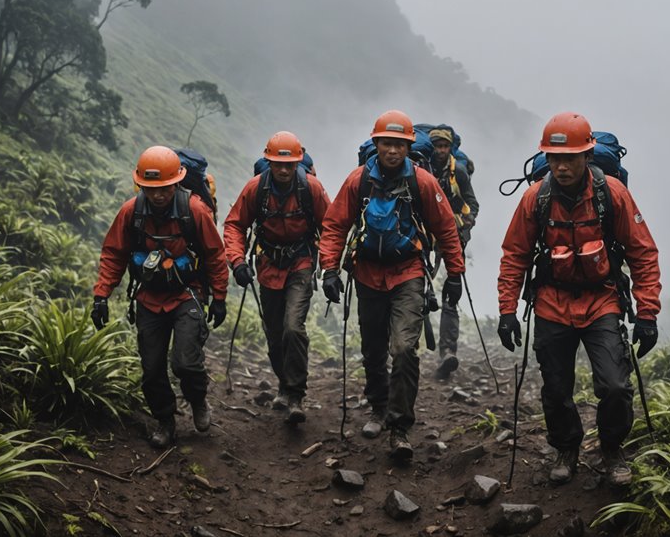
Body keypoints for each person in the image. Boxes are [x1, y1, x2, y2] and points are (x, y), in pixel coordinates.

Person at [497, 112, 660, 486]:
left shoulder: (612, 194)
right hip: (552, 303)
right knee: (556, 387)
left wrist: (647, 314)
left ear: (587, 156)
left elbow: (643, 253)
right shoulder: (535, 198)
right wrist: (508, 311)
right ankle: (566, 447)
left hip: (602, 301)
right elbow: (515, 255)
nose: (562, 165)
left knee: (616, 386)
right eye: (555, 158)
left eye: (570, 157)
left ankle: (612, 449)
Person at [318, 110, 465, 462]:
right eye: (387, 143)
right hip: (367, 274)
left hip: (408, 273)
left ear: (408, 146)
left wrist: (455, 275)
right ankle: (378, 408)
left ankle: (399, 428)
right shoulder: (359, 180)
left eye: (400, 144)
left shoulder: (423, 182)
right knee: (372, 348)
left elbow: (446, 229)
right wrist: (329, 269)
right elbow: (336, 224)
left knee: (403, 349)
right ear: (376, 144)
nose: (393, 150)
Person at [92, 145, 230, 449]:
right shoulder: (132, 212)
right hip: (148, 297)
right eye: (151, 188)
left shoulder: (194, 211)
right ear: (141, 185)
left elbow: (215, 255)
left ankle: (198, 401)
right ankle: (165, 420)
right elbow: (114, 253)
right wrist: (101, 295)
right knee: (152, 368)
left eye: (164, 188)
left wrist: (218, 297)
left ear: (176, 183)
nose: (158, 195)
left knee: (185, 363)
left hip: (187, 294)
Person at [223, 131, 331, 425]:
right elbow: (234, 225)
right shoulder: (255, 189)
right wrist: (237, 262)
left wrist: (330, 268)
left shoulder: (312, 189)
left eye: (290, 164)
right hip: (268, 265)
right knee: (274, 333)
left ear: (298, 162)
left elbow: (331, 227)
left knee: (293, 328)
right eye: (277, 164)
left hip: (302, 262)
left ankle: (295, 395)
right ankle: (284, 384)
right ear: (268, 161)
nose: (284, 170)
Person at [427, 126, 479, 379]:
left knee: (451, 293)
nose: (440, 151)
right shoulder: (422, 170)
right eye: (436, 146)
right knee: (418, 290)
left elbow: (473, 204)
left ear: (450, 148)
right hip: (424, 237)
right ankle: (411, 347)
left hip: (453, 237)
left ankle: (447, 351)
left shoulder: (457, 171)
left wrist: (463, 230)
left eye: (444, 146)